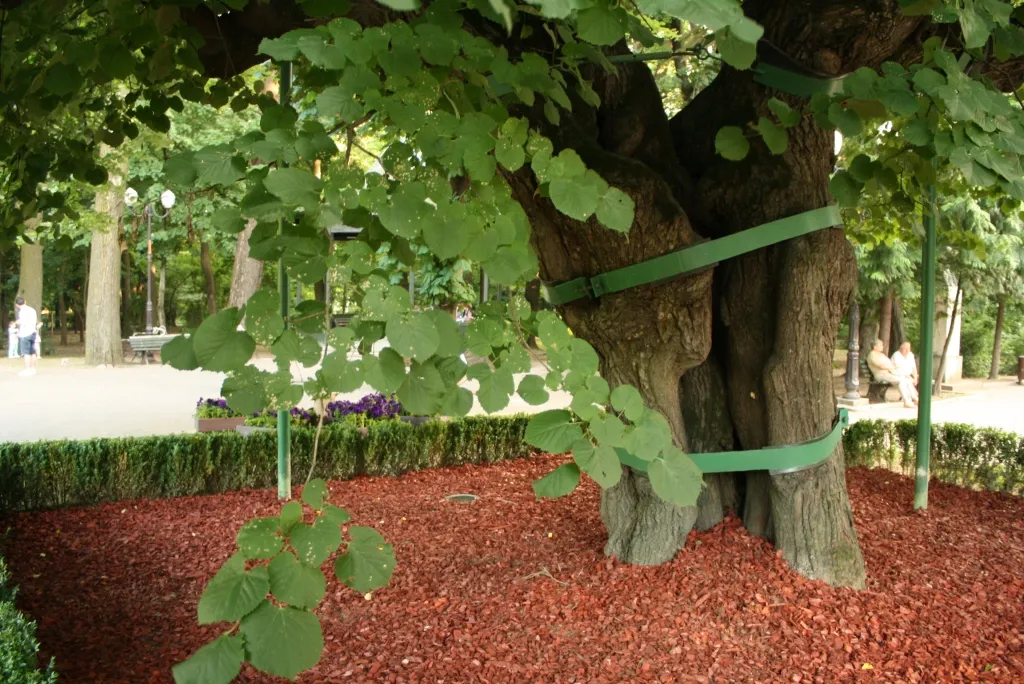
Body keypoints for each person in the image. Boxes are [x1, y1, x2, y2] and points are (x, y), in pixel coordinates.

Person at [866, 339, 918, 408]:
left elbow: (891, 365)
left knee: (906, 380)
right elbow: (882, 366)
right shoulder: (872, 354)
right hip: (881, 374)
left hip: (889, 374)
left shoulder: (882, 355)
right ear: (875, 347)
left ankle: (915, 399)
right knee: (901, 380)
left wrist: (892, 368)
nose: (883, 346)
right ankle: (907, 401)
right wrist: (891, 368)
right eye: (881, 345)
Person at [14, 297, 38, 376]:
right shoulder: (32, 310)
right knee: (33, 352)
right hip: (33, 332)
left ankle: (27, 369)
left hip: (25, 333)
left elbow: (23, 322)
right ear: (25, 302)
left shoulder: (22, 312)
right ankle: (33, 369)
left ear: (17, 305)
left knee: (26, 352)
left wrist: (17, 322)